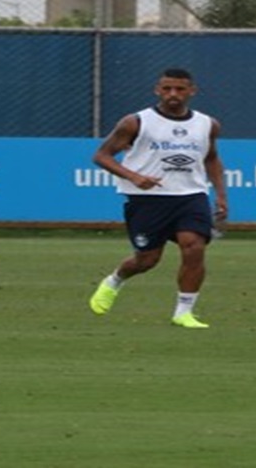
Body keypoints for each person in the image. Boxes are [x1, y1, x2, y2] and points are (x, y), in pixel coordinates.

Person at [88, 68, 228, 329]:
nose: (173, 94)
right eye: (167, 89)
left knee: (194, 246)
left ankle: (184, 312)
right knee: (147, 260)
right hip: (147, 199)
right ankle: (115, 280)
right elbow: (102, 156)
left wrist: (221, 195)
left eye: (180, 89)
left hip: (191, 195)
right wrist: (134, 176)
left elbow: (211, 158)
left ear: (192, 91)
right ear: (157, 90)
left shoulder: (208, 124)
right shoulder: (135, 122)